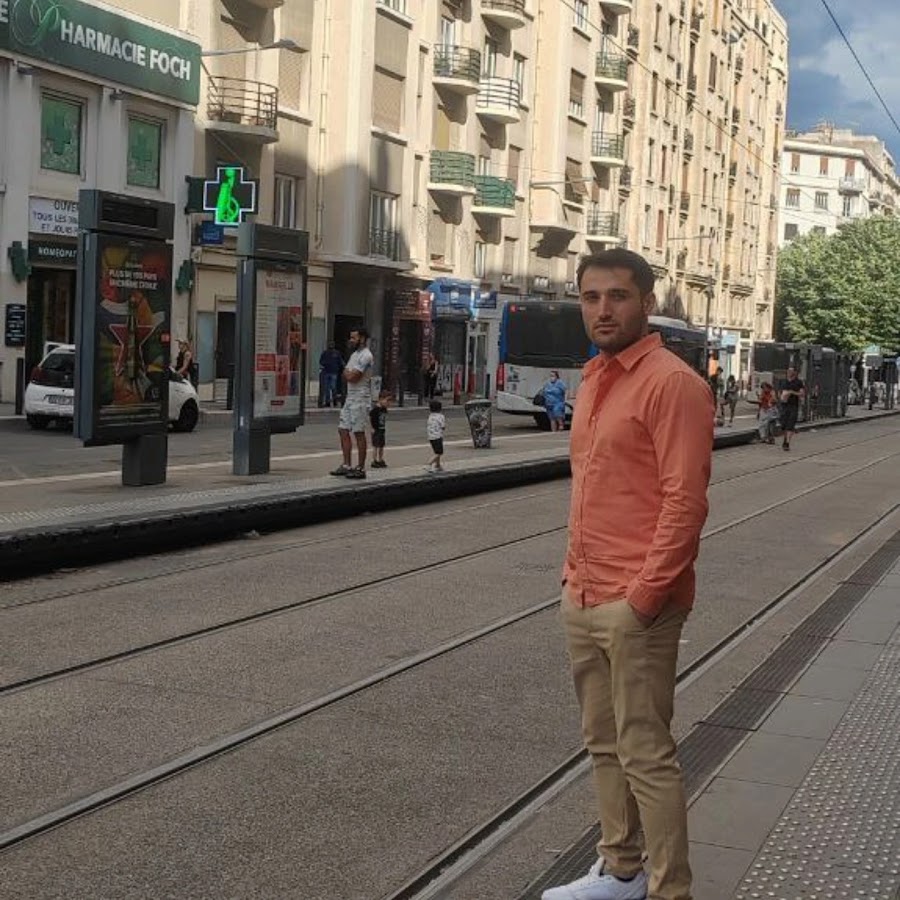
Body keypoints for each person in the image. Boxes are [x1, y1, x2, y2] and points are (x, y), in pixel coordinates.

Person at [544, 249, 713, 900]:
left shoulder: (673, 385)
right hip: (584, 591)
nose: (603, 310)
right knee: (603, 744)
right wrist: (571, 582)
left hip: (637, 603)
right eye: (591, 297)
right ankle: (621, 870)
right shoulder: (594, 378)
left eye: (617, 296)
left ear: (648, 302)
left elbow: (684, 502)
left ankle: (670, 890)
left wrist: (644, 596)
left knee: (645, 753)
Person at [330, 328, 374, 479]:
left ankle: (360, 467)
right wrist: (348, 373)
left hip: (360, 398)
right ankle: (346, 464)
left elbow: (352, 377)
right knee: (343, 429)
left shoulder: (366, 355)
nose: (351, 340)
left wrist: (348, 373)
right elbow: (345, 373)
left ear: (362, 339)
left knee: (358, 432)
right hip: (350, 398)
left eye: (354, 338)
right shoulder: (354, 355)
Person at [779, 366, 805, 451]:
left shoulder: (798, 382)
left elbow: (802, 394)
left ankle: (787, 443)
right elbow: (779, 392)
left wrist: (792, 392)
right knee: (783, 424)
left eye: (791, 371)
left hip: (793, 406)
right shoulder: (783, 381)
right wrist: (781, 397)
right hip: (784, 405)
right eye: (788, 371)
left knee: (790, 424)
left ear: (794, 373)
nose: (789, 373)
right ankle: (785, 438)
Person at [369, 390, 392, 468]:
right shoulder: (376, 409)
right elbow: (371, 418)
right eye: (387, 401)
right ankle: (374, 460)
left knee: (381, 445)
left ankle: (380, 459)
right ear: (381, 399)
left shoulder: (384, 409)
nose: (388, 403)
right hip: (376, 429)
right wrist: (372, 427)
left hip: (382, 429)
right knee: (375, 445)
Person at [319, 342, 345, 408]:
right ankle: (331, 401)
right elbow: (340, 362)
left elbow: (321, 362)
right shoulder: (331, 353)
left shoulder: (331, 353)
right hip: (330, 372)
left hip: (330, 372)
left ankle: (331, 401)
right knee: (330, 388)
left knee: (330, 388)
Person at [425, 399, 446, 473]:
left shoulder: (430, 416)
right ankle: (429, 464)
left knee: (436, 451)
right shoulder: (441, 416)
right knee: (439, 453)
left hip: (430, 437)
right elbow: (443, 427)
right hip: (437, 437)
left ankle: (438, 465)